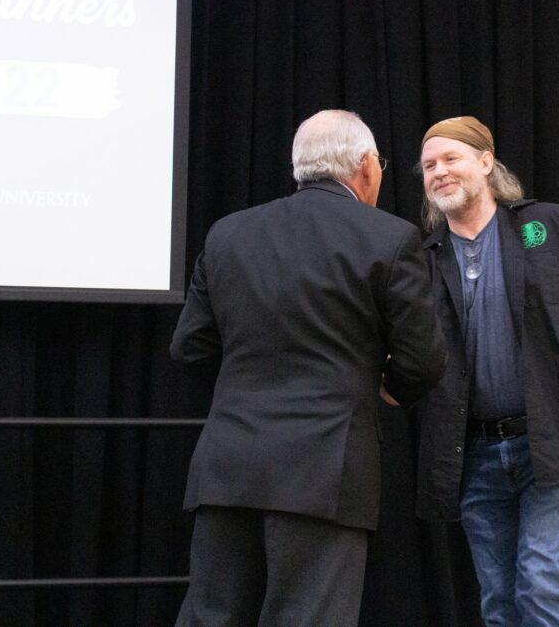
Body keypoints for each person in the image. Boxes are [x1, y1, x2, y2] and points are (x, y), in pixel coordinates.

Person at [170, 109, 446, 626]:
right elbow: (424, 358)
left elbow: (190, 349)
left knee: (211, 617)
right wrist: (389, 385)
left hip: (228, 466)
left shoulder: (229, 234)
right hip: (325, 471)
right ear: (367, 166)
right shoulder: (389, 238)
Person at [414, 116, 559, 626]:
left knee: (542, 579)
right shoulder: (423, 258)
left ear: (485, 162)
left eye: (451, 158)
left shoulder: (547, 224)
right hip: (475, 453)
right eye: (429, 165)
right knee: (499, 600)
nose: (438, 172)